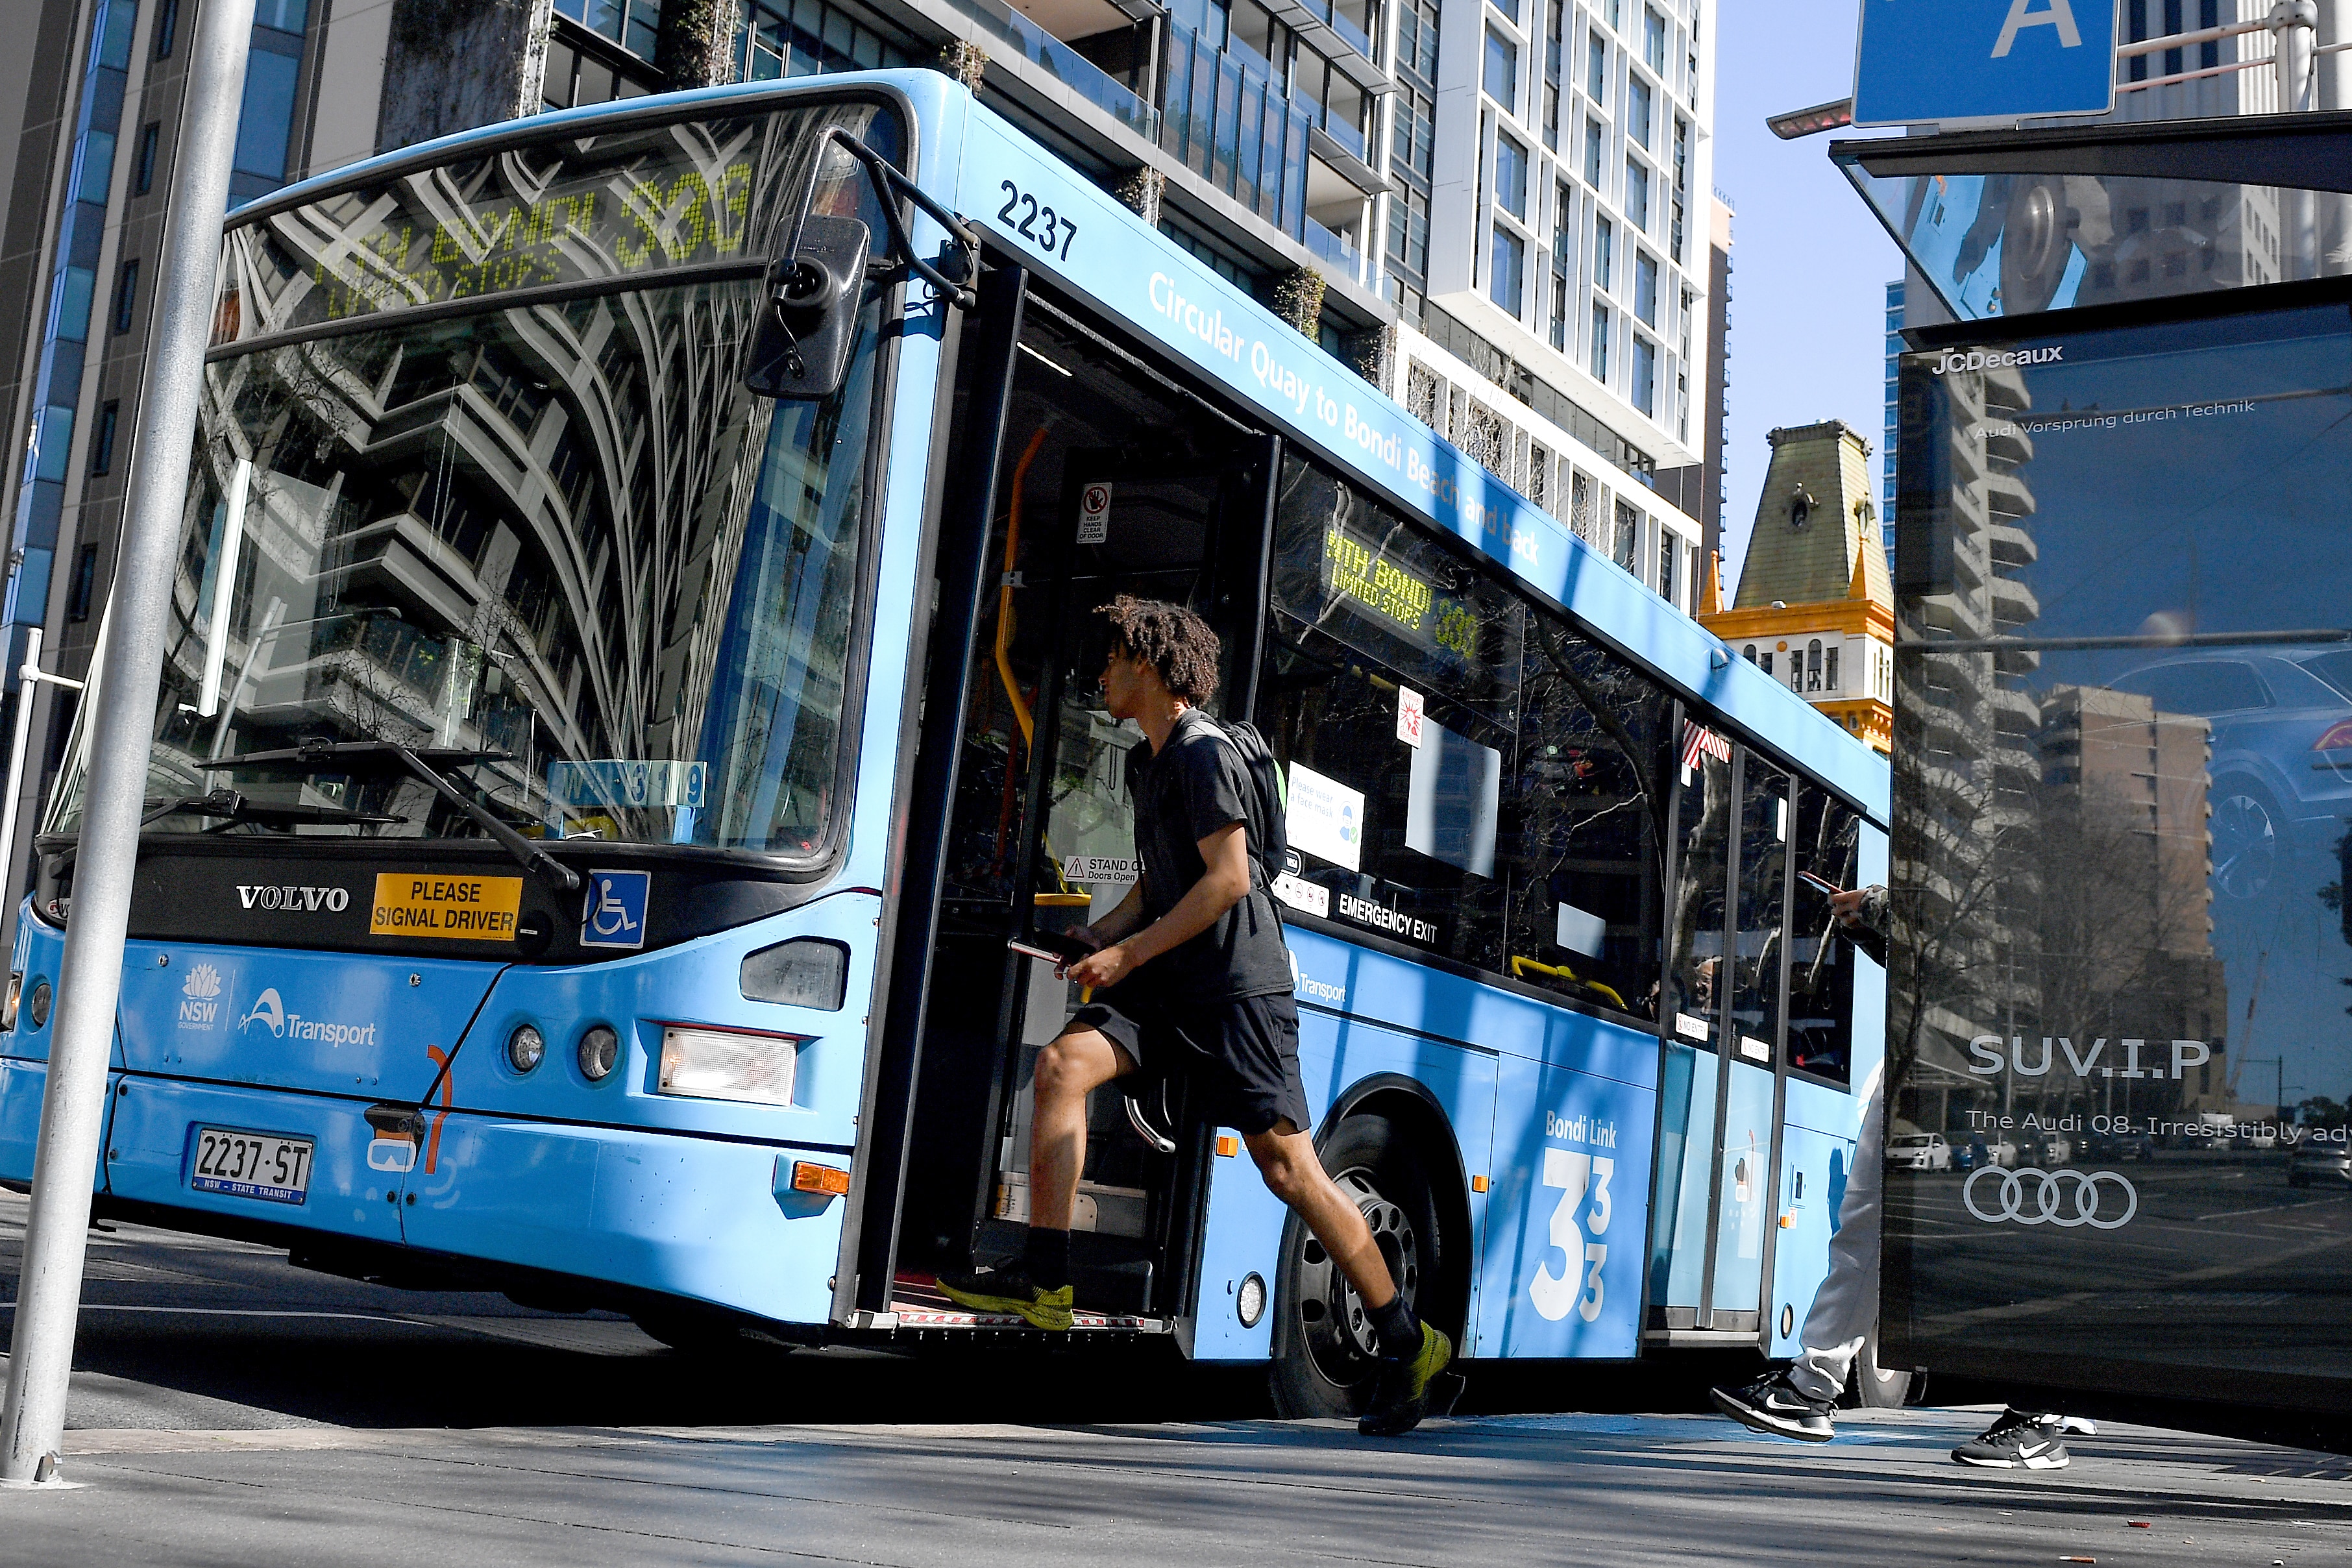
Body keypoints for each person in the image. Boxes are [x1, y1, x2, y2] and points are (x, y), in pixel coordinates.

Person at [938, 596, 1454, 1437]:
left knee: (1290, 1171)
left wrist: (1126, 957)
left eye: (1112, 660)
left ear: (1146, 664)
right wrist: (1105, 933)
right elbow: (1162, 875)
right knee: (1062, 1067)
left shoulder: (1203, 755)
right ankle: (1048, 1279)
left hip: (1239, 989)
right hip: (1172, 981)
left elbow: (1229, 880)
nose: (1100, 675)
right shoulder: (1151, 761)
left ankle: (1407, 1341)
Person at [1708, 885, 2090, 1470]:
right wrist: (1876, 928)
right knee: (1891, 1229)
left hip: (1973, 1064)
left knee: (1882, 1225)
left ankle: (1815, 1389)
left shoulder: (2039, 889)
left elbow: (1964, 964)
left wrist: (1885, 911)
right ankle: (1816, 1387)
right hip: (1986, 1062)